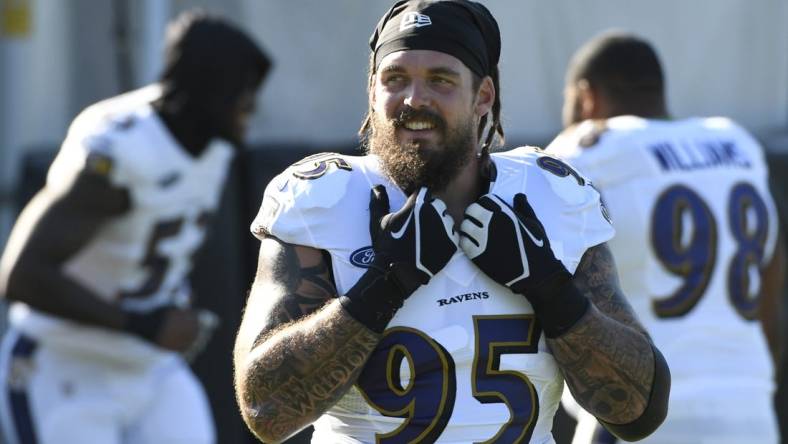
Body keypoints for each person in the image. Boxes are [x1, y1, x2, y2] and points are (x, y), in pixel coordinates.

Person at [233, 2, 670, 443]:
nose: (414, 100)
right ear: (372, 91)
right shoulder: (323, 197)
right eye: (395, 79)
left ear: (483, 96)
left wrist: (550, 289)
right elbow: (265, 412)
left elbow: (638, 411)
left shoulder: (549, 196)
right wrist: (381, 288)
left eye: (440, 81)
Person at [0, 10, 271, 444]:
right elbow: (22, 274)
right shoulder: (121, 149)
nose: (252, 107)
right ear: (214, 89)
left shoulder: (214, 146)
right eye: (244, 93)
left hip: (150, 368)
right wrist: (145, 324)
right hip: (67, 363)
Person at [547, 32, 785, 444]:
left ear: (586, 97)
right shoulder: (736, 142)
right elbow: (770, 292)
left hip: (642, 416)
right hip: (750, 413)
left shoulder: (592, 147)